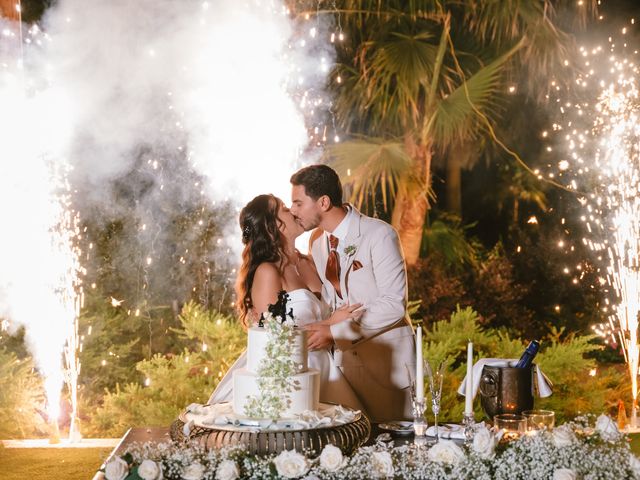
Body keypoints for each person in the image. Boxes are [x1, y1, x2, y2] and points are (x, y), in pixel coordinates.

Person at [208, 194, 365, 411]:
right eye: (283, 208)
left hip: (325, 369)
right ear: (273, 225)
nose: (292, 210)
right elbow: (272, 340)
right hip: (287, 376)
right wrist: (331, 324)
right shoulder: (268, 271)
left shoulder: (309, 261)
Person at [290, 164, 416, 422]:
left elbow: (393, 304)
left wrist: (335, 333)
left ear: (323, 202)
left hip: (387, 367)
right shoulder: (316, 241)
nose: (293, 211)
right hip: (343, 368)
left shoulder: (379, 234)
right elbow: (331, 301)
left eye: (298, 203)